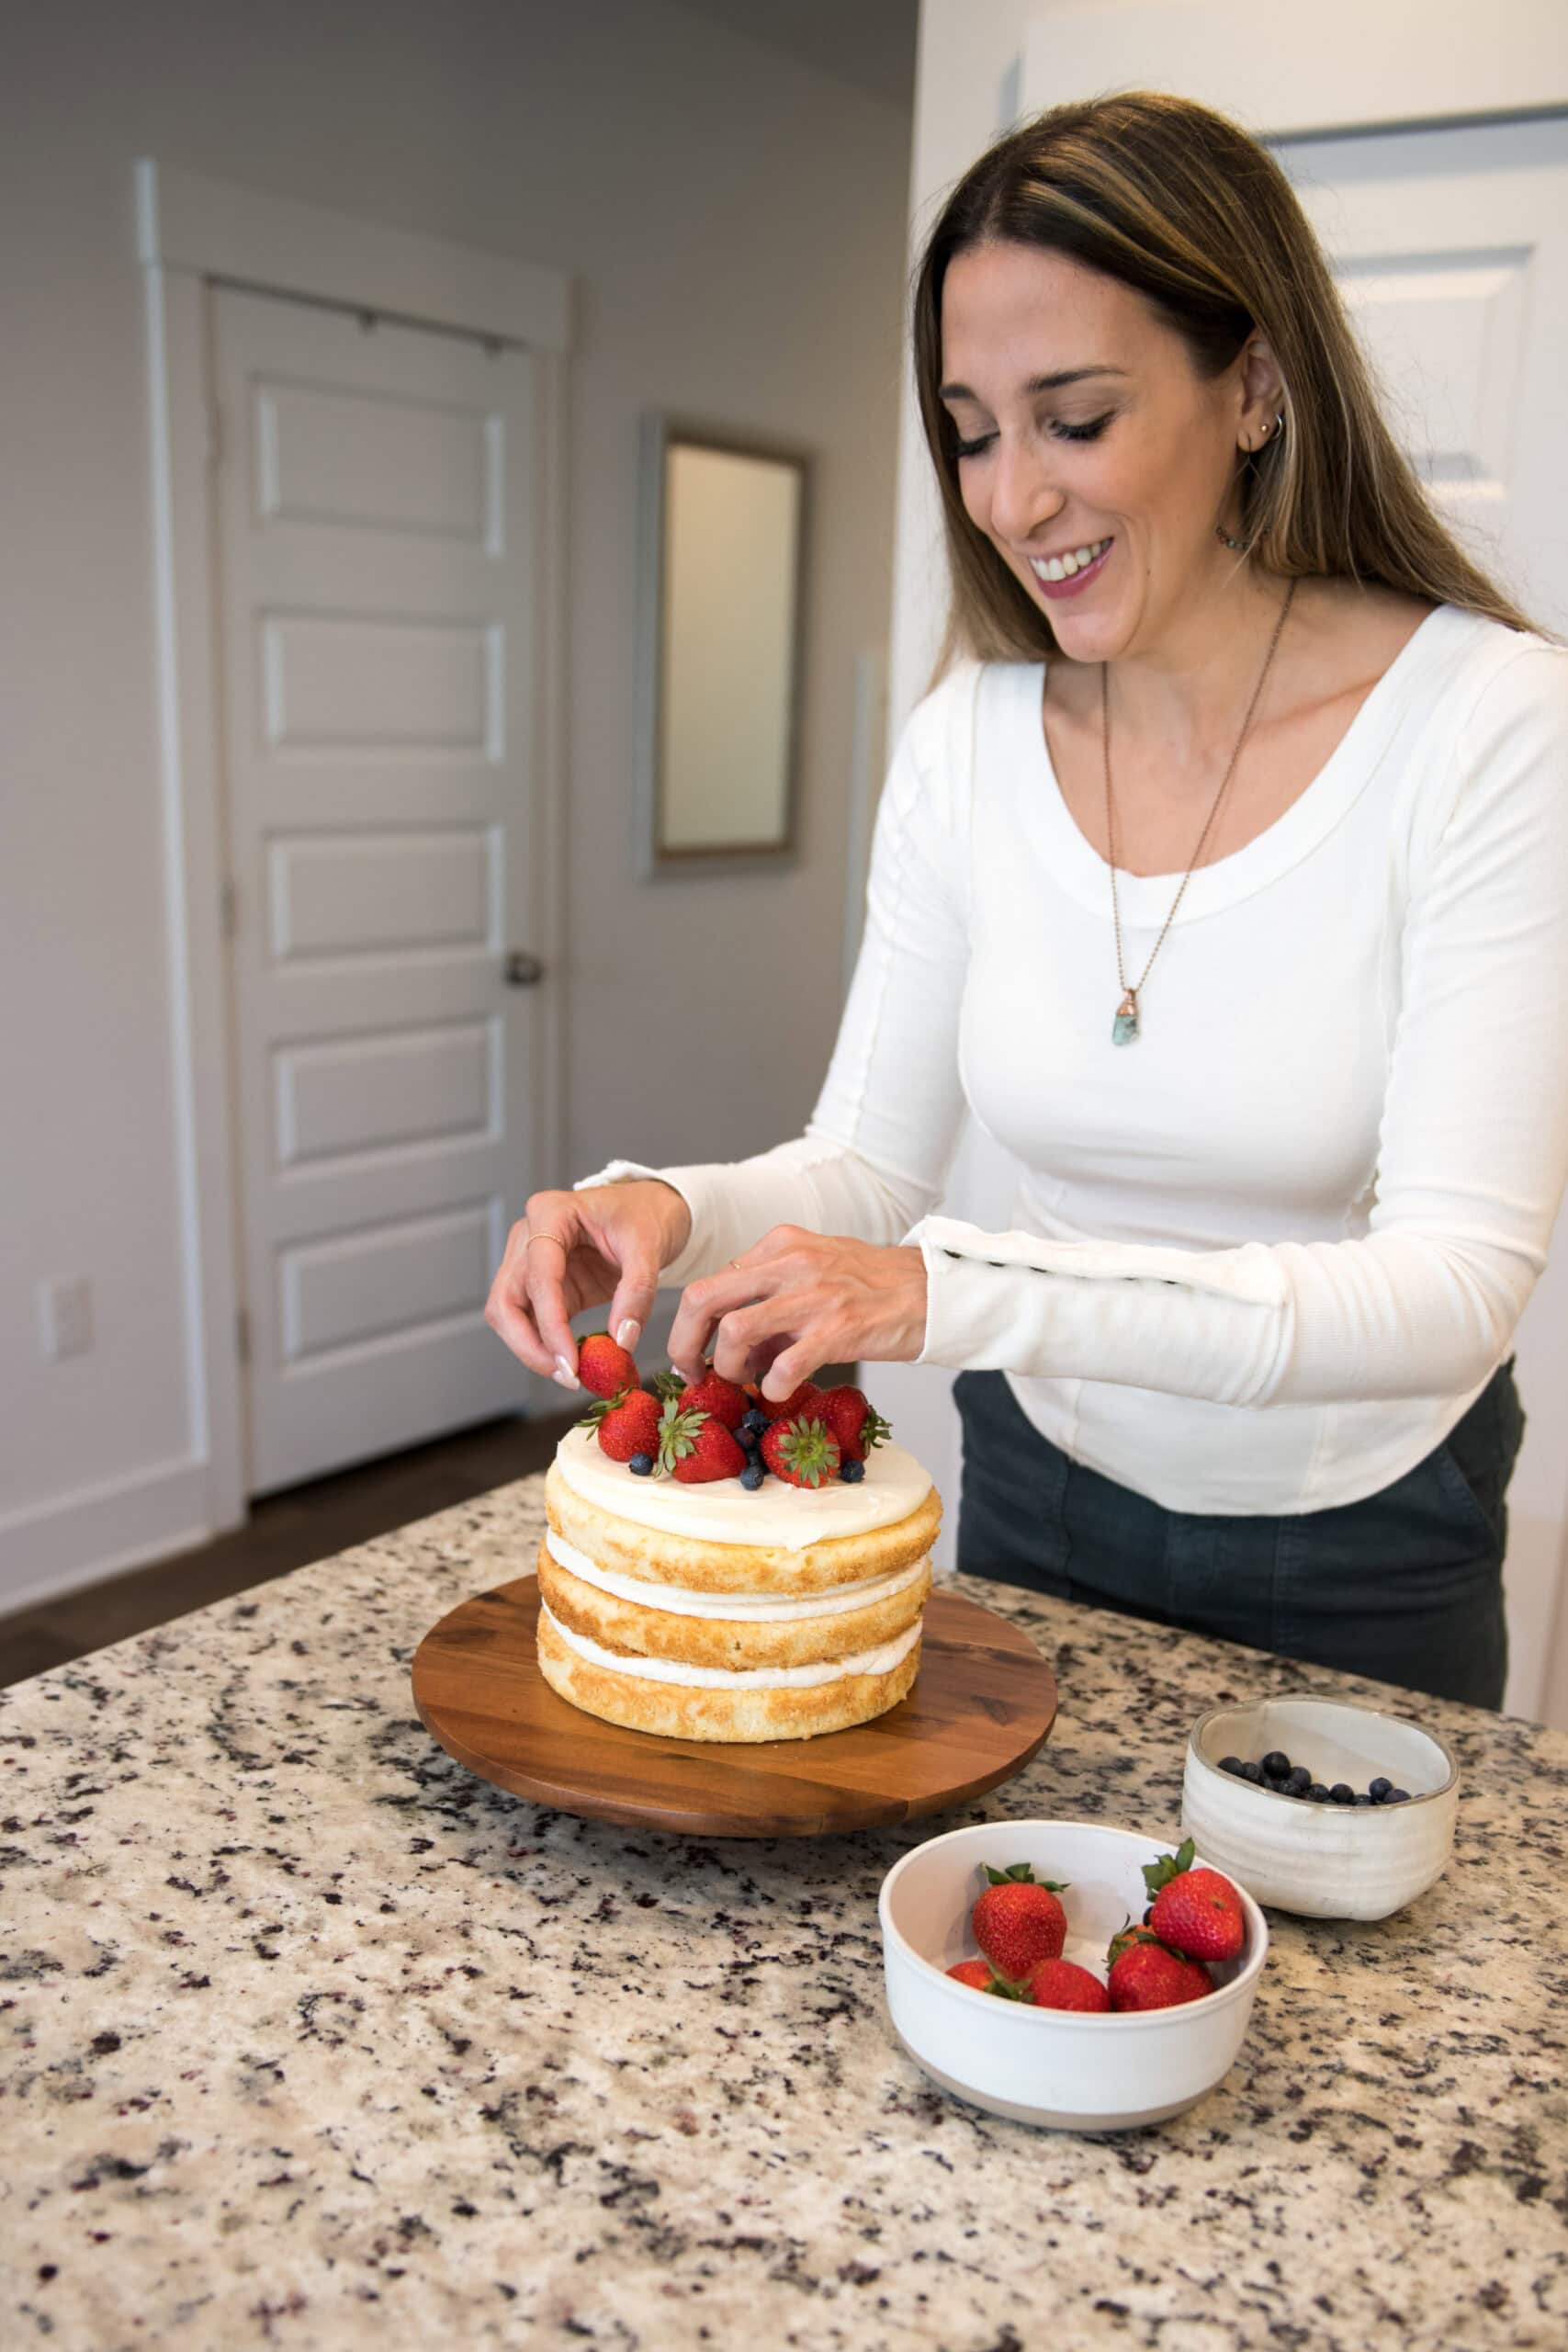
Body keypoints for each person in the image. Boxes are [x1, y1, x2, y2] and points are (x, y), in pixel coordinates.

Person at [486, 91, 1568, 1711]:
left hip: (1355, 1536)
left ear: (1257, 385)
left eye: (1074, 419)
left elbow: (1447, 1295)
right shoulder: (970, 743)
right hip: (1034, 1483)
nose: (1008, 501)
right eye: (973, 430)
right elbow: (865, 1165)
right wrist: (664, 1205)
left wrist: (944, 1294)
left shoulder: (1492, 727)